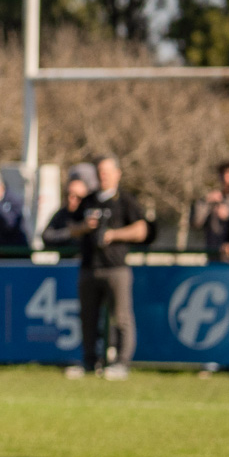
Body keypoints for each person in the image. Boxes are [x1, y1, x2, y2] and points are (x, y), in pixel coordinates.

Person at [65, 156, 148, 381]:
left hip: (116, 268)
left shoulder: (126, 200)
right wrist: (84, 227)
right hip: (89, 266)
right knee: (88, 317)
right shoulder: (88, 200)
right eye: (100, 171)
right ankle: (89, 362)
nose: (104, 175)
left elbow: (142, 230)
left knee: (121, 317)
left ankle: (121, 363)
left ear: (117, 173)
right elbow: (69, 227)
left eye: (108, 171)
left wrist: (113, 234)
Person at [194, 161, 229, 255]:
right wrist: (205, 202)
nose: (228, 179)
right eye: (225, 175)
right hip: (214, 255)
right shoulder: (211, 199)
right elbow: (196, 223)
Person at [41, 175, 90, 248]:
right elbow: (46, 236)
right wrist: (70, 233)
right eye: (68, 195)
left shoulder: (89, 214)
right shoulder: (62, 214)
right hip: (67, 258)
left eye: (77, 197)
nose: (71, 199)